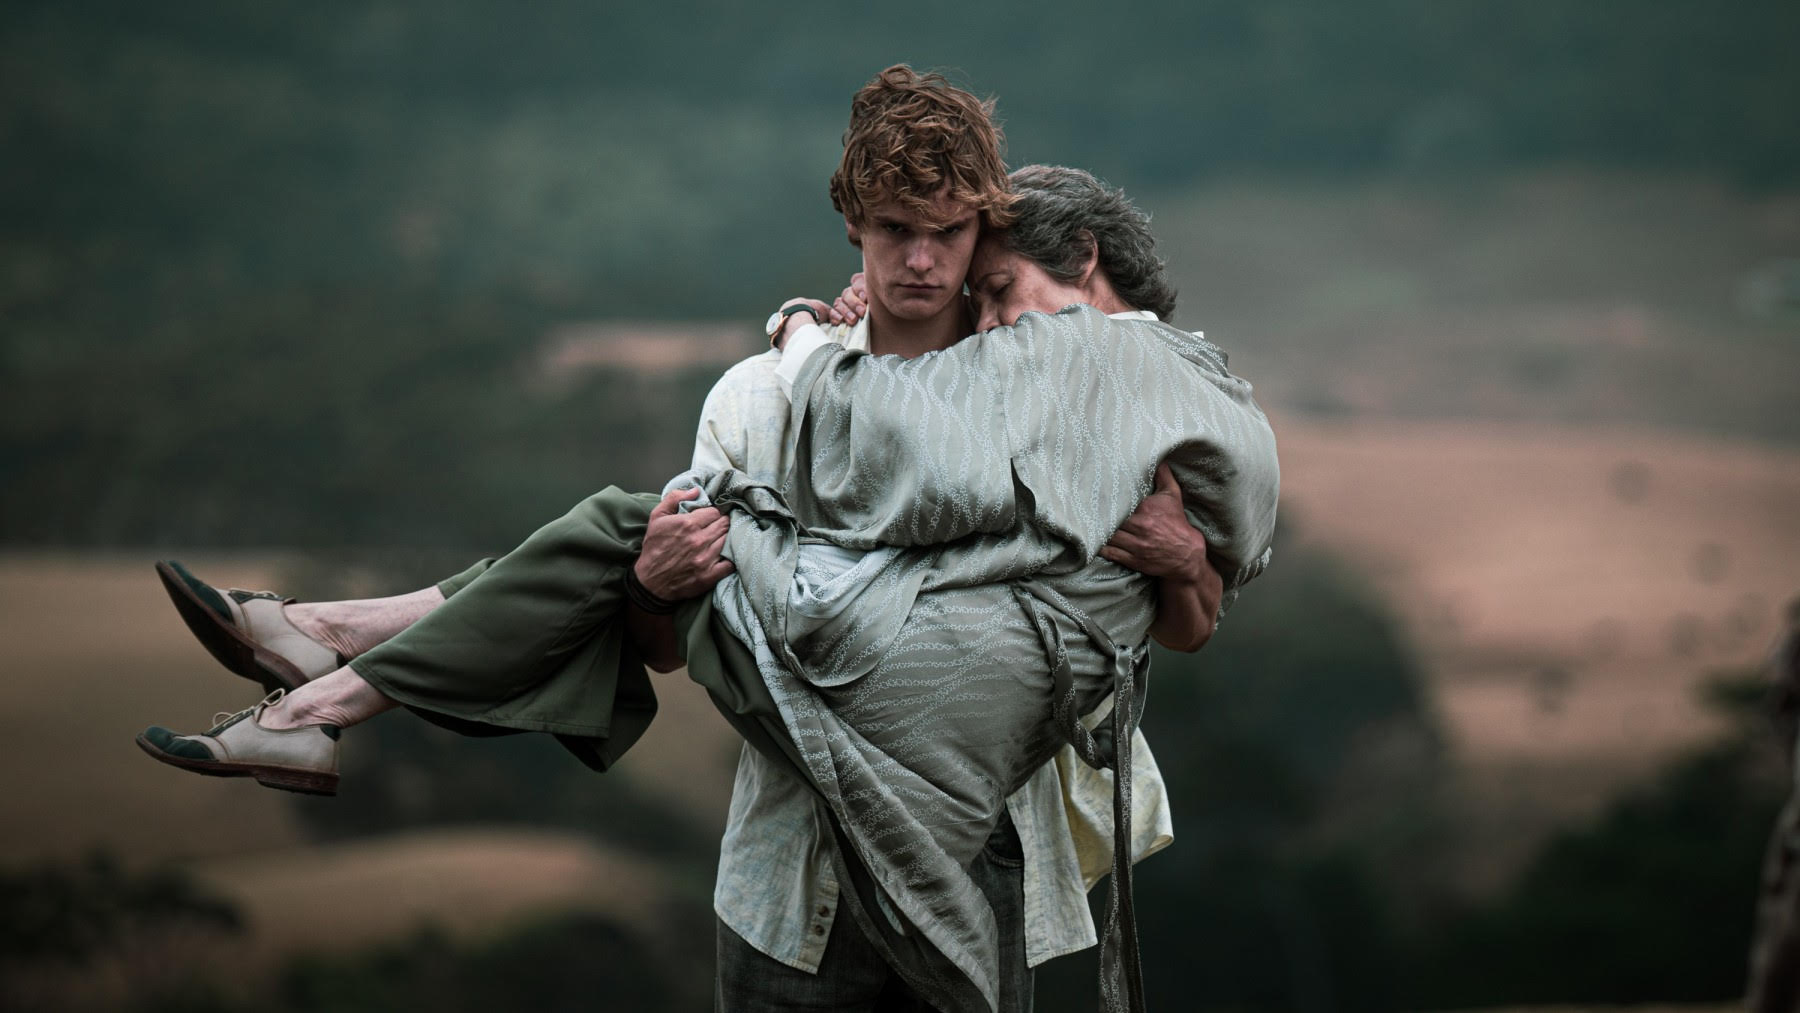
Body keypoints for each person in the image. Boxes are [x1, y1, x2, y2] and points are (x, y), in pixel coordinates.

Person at [137, 71, 1275, 1012]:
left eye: (956, 244)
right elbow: (661, 639)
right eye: (898, 232)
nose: (933, 271)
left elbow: (1170, 617)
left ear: (986, 232)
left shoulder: (1058, 404)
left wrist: (1185, 559)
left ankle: (324, 670)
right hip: (794, 880)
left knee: (616, 523)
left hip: (984, 835)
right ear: (854, 227)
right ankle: (321, 677)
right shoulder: (762, 396)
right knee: (633, 537)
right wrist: (652, 581)